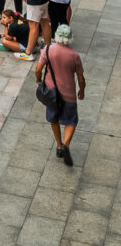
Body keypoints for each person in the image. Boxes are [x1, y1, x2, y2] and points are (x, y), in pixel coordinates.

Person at [35, 24, 87, 166]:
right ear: (70, 38)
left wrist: (39, 80)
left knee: (54, 119)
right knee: (71, 121)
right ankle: (66, 144)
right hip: (69, 94)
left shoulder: (48, 49)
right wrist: (81, 90)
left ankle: (58, 146)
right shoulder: (74, 56)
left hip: (52, 93)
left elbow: (38, 69)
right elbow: (81, 79)